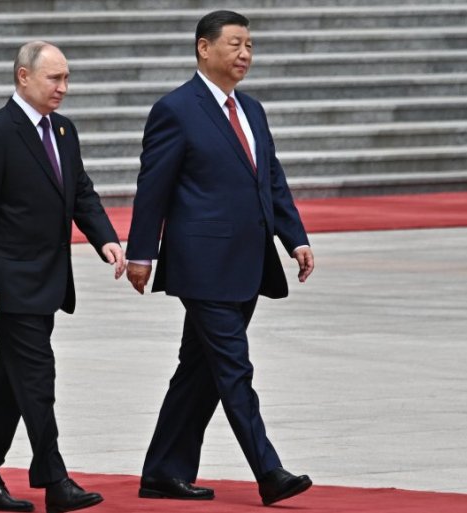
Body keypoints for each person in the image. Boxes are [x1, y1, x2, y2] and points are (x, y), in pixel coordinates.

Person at [125, 10, 316, 507]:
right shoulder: (175, 109)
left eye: (249, 45)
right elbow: (153, 187)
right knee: (233, 367)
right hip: (202, 265)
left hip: (248, 262)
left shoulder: (251, 109)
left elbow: (270, 179)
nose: (245, 53)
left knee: (200, 369)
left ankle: (163, 472)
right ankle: (269, 471)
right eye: (235, 44)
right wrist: (141, 252)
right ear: (204, 48)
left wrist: (294, 237)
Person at [0, 41, 124, 513]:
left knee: (10, 384)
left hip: (47, 281)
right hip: (10, 283)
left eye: (67, 78)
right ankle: (54, 479)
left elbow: (81, 191)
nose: (63, 87)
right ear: (23, 77)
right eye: (54, 78)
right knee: (37, 379)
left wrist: (105, 238)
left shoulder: (64, 131)